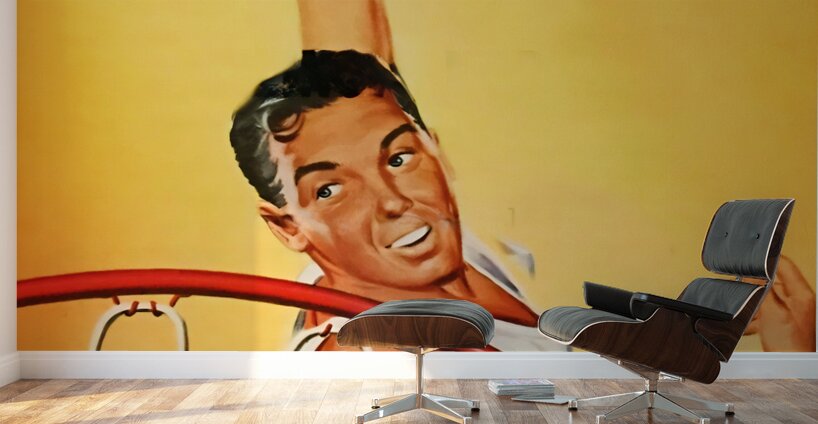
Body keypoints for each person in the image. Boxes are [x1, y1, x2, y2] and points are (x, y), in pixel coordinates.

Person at [229, 0, 558, 351]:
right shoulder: (372, 351)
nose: (393, 201)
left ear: (435, 150)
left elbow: (346, 26)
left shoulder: (429, 243)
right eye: (329, 190)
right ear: (288, 228)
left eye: (399, 159)